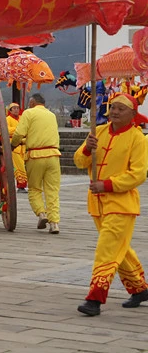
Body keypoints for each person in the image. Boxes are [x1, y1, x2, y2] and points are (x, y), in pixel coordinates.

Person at [74, 92, 148, 316]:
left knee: (106, 250)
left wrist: (106, 185)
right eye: (112, 107)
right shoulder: (99, 132)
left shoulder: (138, 139)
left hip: (121, 204)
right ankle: (139, 289)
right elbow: (79, 161)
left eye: (120, 109)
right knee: (119, 248)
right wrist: (87, 147)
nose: (114, 111)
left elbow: (138, 174)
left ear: (133, 114)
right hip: (97, 203)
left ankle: (95, 298)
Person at [11, 93, 61, 233]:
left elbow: (19, 133)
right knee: (52, 191)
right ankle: (54, 223)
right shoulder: (51, 115)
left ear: (32, 103)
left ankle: (41, 213)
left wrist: (13, 145)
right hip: (53, 155)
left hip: (35, 155)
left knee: (34, 188)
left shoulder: (29, 113)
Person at [6, 103, 28, 193]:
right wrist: (19, 130)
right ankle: (21, 185)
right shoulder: (8, 119)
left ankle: (22, 185)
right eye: (14, 108)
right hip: (14, 148)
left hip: (23, 147)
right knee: (19, 168)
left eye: (17, 108)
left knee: (24, 167)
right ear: (10, 110)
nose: (16, 110)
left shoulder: (21, 118)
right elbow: (6, 130)